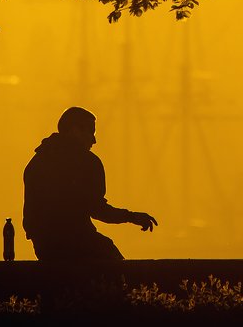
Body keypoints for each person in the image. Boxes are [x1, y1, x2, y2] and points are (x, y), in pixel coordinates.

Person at [23, 107, 157, 261]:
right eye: (91, 132)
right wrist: (132, 217)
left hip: (45, 247)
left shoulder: (36, 163)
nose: (94, 140)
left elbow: (30, 216)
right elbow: (98, 209)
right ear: (74, 131)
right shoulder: (87, 162)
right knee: (115, 264)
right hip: (79, 243)